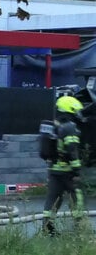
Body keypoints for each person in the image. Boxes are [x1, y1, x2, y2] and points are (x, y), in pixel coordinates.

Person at [42, 95, 86, 236]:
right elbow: (72, 150)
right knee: (76, 196)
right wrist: (77, 171)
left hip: (54, 170)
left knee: (53, 198)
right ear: (70, 109)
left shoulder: (54, 126)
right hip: (67, 171)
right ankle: (80, 227)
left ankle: (47, 228)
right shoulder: (70, 127)